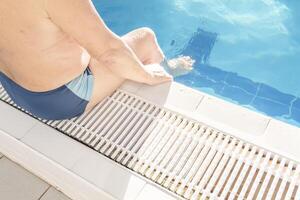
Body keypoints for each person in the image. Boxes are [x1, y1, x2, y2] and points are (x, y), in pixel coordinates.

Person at [0, 0, 193, 120]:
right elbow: (111, 53)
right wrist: (148, 76)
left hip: (12, 87)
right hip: (58, 100)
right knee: (146, 37)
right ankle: (168, 68)